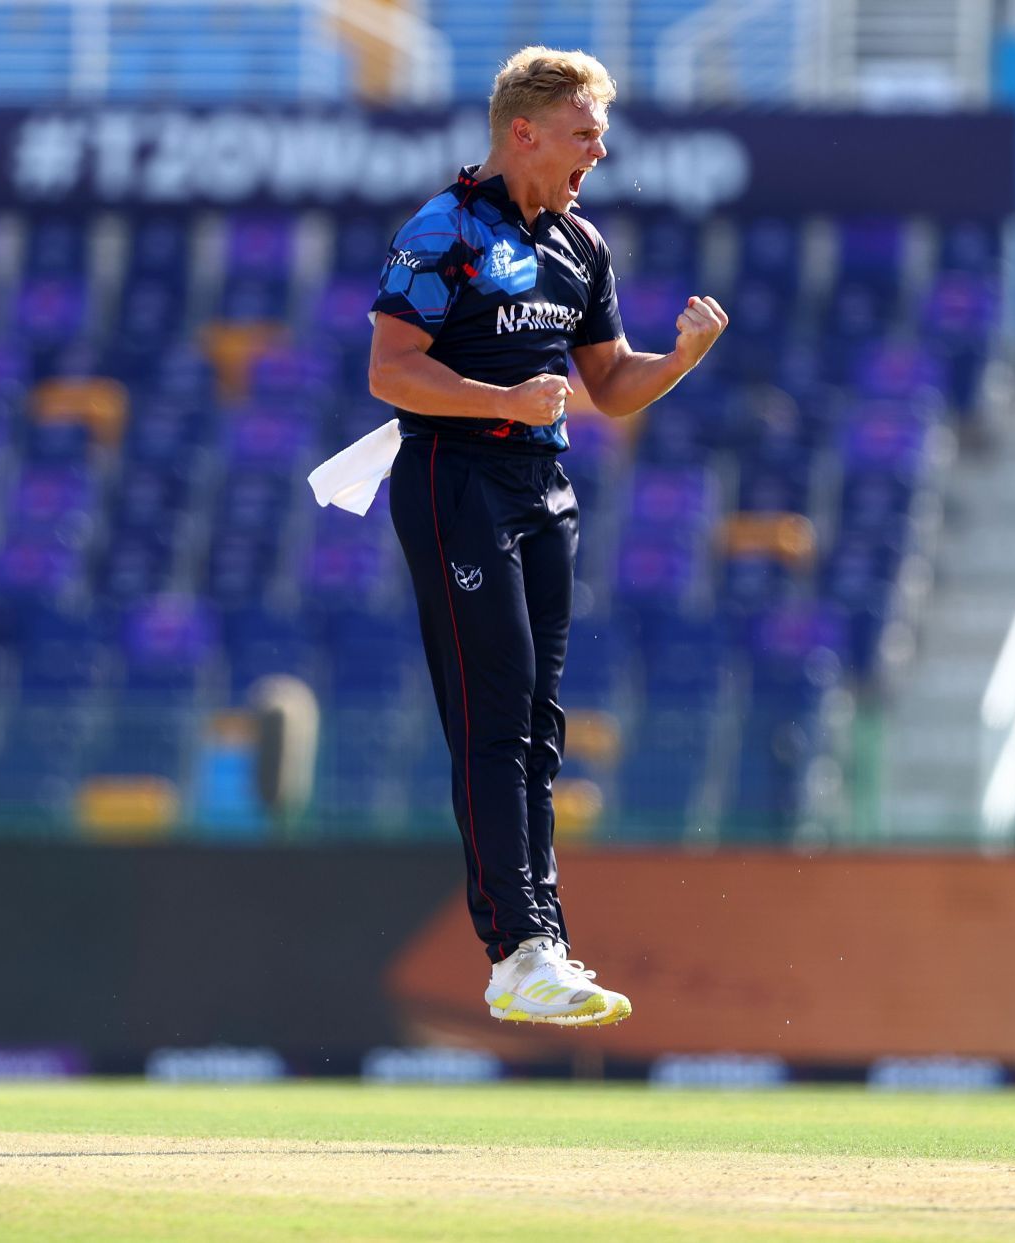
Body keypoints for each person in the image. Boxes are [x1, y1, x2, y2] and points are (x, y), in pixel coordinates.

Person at [367, 47, 729, 1026]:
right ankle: (515, 947)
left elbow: (608, 389)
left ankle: (544, 943)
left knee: (537, 721)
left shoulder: (581, 247)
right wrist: (502, 397)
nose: (600, 152)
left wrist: (682, 359)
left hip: (543, 484)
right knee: (493, 713)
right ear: (522, 132)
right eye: (584, 133)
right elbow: (391, 372)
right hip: (456, 478)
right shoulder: (441, 230)